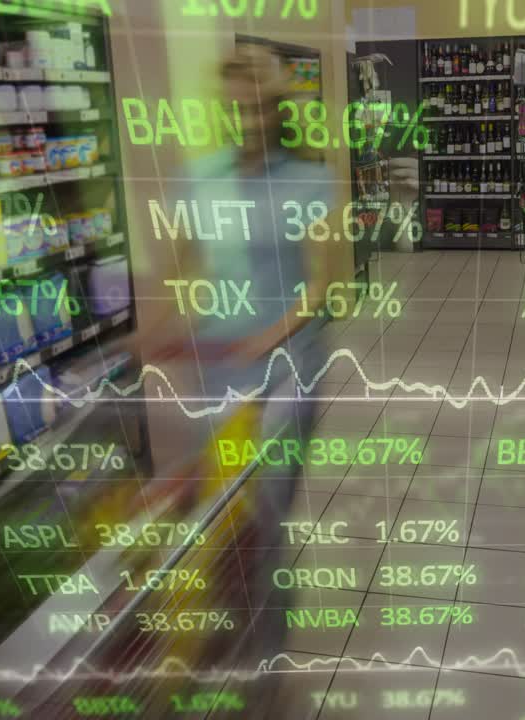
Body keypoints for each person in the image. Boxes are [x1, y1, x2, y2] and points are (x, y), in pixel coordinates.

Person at [130, 43, 338, 704]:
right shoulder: (199, 176)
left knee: (264, 512)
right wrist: (161, 327)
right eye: (235, 107)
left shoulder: (312, 180)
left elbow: (324, 287)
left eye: (258, 106)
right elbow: (178, 264)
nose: (247, 118)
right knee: (215, 515)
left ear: (278, 110)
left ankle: (264, 660)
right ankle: (218, 634)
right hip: (219, 367)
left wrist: (263, 340)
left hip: (287, 367)